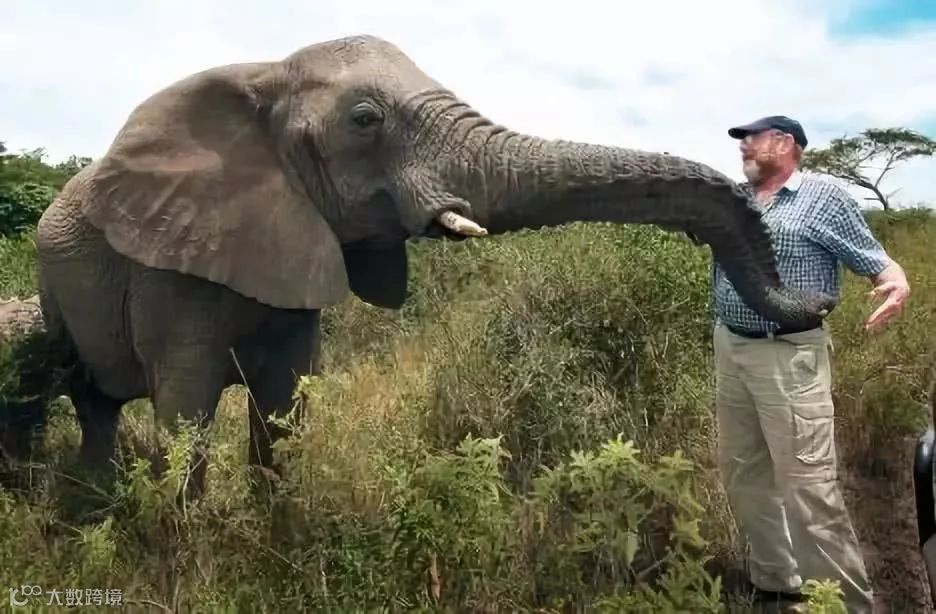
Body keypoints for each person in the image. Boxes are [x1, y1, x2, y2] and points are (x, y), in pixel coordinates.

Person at [711, 115, 911, 613]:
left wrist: (896, 281)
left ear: (784, 142)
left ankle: (844, 604)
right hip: (731, 349)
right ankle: (777, 583)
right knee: (744, 473)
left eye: (752, 138)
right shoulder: (737, 198)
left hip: (789, 356)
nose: (743, 147)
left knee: (808, 486)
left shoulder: (822, 197)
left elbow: (875, 259)